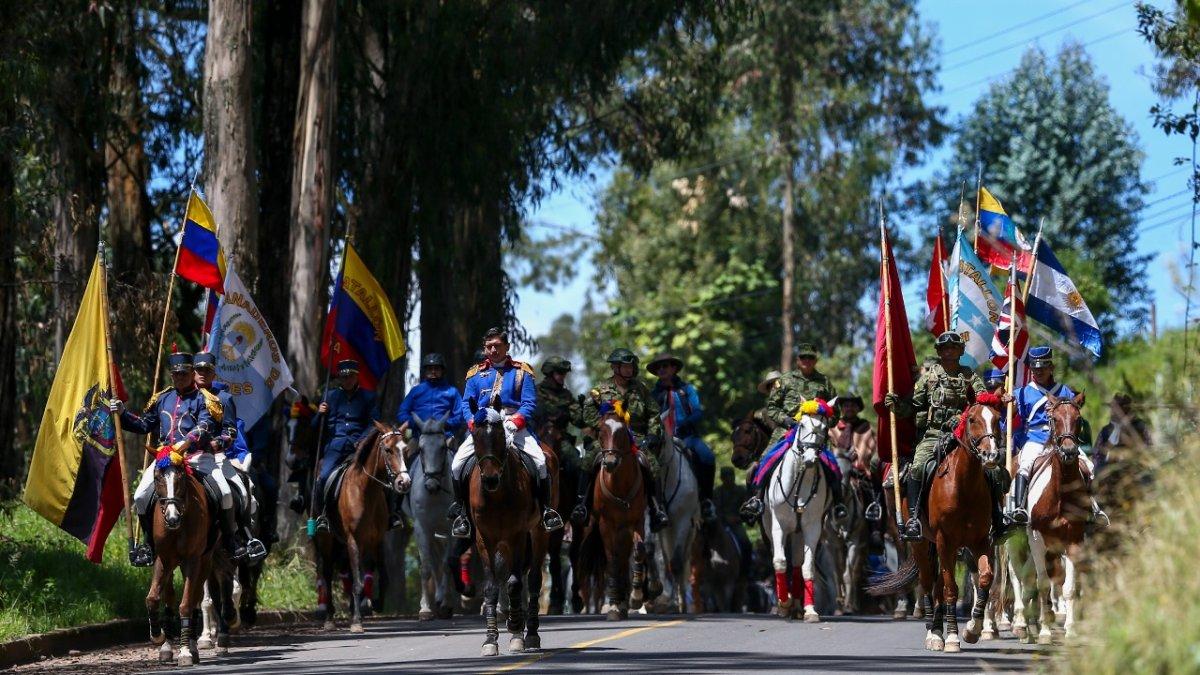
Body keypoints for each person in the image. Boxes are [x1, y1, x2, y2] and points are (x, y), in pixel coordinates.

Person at [883, 331, 1008, 541]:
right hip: (933, 434)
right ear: (939, 352)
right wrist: (896, 405)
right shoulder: (929, 377)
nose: (949, 352)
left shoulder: (969, 375)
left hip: (964, 435)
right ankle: (914, 519)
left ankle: (998, 519)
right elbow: (914, 405)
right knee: (918, 466)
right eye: (945, 348)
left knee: (992, 470)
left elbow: (981, 401)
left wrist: (997, 400)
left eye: (953, 348)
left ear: (960, 351)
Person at [119, 351, 235, 566]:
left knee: (225, 492)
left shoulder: (205, 399)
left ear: (192, 373)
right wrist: (122, 414)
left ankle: (231, 542)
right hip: (165, 459)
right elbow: (144, 424)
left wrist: (188, 441)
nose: (179, 377)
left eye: (184, 373)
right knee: (141, 496)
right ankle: (148, 545)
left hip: (197, 457)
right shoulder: (163, 398)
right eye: (175, 374)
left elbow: (205, 425)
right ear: (171, 375)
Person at [448, 328, 563, 538]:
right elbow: (466, 404)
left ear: (507, 347)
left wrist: (516, 421)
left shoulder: (522, 371)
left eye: (497, 346)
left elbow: (529, 402)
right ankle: (462, 513)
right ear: (485, 349)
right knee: (457, 465)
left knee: (539, 461)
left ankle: (546, 510)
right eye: (489, 346)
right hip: (483, 427)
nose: (493, 350)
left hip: (512, 424)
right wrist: (473, 424)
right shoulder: (474, 374)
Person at [741, 343, 843, 520]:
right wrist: (785, 420)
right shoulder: (785, 380)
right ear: (798, 360)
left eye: (810, 358)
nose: (807, 361)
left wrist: (825, 422)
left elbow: (836, 411)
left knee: (833, 465)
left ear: (815, 360)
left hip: (814, 434)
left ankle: (838, 505)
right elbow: (772, 406)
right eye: (803, 357)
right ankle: (756, 500)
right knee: (765, 460)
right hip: (785, 431)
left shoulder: (825, 382)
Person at [1008, 346, 1106, 527]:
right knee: (1025, 465)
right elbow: (1012, 424)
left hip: (1063, 438)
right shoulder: (1021, 393)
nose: (1038, 372)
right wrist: (1010, 409)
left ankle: (1094, 508)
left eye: (1043, 368)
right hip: (1036, 438)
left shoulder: (1065, 392)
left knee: (1088, 466)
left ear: (1051, 368)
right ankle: (1019, 508)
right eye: (1035, 369)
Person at [573, 348, 669, 531]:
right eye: (626, 366)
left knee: (652, 463)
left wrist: (652, 434)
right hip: (608, 438)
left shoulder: (641, 389)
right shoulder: (600, 390)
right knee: (588, 459)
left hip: (636, 437)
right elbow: (588, 413)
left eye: (631, 366)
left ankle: (658, 509)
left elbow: (654, 414)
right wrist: (604, 425)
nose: (630, 369)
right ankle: (581, 505)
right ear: (616, 368)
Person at [193, 351, 267, 561]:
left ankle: (242, 536)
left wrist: (219, 442)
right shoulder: (184, 396)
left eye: (207, 370)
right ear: (193, 372)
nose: (202, 374)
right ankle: (149, 542)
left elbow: (231, 431)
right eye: (199, 370)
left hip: (215, 456)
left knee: (237, 491)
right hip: (184, 455)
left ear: (213, 373)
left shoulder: (224, 398)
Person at [311, 359, 382, 533]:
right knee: (323, 478)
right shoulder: (330, 396)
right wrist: (320, 414)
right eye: (343, 377)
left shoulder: (368, 397)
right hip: (335, 447)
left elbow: (374, 423)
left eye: (350, 376)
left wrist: (364, 439)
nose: (347, 380)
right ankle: (323, 517)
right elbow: (314, 427)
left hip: (360, 446)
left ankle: (390, 515)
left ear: (357, 376)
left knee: (381, 476)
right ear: (339, 378)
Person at [648, 353, 718, 523]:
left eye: (665, 366)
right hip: (661, 440)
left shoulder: (687, 389)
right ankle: (650, 504)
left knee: (708, 457)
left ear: (674, 368)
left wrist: (684, 424)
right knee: (645, 463)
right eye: (659, 367)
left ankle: (706, 500)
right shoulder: (652, 395)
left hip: (687, 437)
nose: (662, 369)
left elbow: (697, 411)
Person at [830, 394, 883, 525]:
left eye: (853, 406)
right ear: (841, 409)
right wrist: (842, 455)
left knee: (874, 489)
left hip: (860, 471)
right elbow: (829, 449)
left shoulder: (865, 427)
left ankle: (875, 527)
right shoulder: (833, 428)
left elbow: (873, 447)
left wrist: (860, 457)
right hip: (837, 471)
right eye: (846, 406)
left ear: (858, 409)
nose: (849, 408)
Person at [396, 353, 463, 454]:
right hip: (419, 437)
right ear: (425, 371)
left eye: (437, 369)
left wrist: (446, 424)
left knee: (456, 463)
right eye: (429, 369)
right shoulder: (416, 391)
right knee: (404, 459)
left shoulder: (452, 391)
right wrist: (413, 423)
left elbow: (460, 416)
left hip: (445, 437)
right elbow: (402, 414)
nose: (433, 371)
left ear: (442, 371)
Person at [532, 356, 584, 476]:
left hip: (560, 440)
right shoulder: (535, 392)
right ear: (550, 373)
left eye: (564, 373)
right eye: (560, 373)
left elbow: (579, 422)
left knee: (579, 464)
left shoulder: (566, 395)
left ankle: (580, 495)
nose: (563, 376)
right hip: (537, 439)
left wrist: (582, 409)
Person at [1094, 392, 1151, 474]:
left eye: (1116, 408)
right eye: (1112, 408)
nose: (1112, 412)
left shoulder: (1140, 426)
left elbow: (1149, 446)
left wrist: (1132, 454)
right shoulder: (1105, 430)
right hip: (1108, 469)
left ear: (1125, 409)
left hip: (1136, 467)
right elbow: (1097, 453)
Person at [713, 466, 753, 575]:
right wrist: (724, 518)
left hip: (736, 525)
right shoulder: (717, 492)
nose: (729, 479)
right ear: (722, 478)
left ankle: (746, 573)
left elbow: (746, 510)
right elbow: (716, 509)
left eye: (731, 476)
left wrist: (738, 518)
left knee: (746, 544)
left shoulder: (741, 491)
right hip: (720, 525)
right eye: (726, 477)